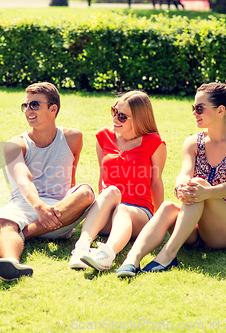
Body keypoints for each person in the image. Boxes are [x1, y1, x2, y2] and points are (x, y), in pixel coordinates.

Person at [116, 83, 226, 277]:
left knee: (198, 185)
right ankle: (132, 259)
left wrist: (204, 192)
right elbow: (185, 173)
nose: (194, 113)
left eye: (200, 108)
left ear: (221, 110)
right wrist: (180, 185)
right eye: (194, 108)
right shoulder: (192, 142)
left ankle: (167, 255)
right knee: (166, 207)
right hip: (194, 223)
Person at [0, 82, 96, 282]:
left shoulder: (73, 137)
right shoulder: (15, 145)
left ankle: (24, 234)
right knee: (6, 220)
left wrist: (64, 206)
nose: (28, 110)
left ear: (53, 108)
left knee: (86, 192)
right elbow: (23, 178)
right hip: (26, 205)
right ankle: (11, 263)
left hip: (61, 212)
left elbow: (71, 177)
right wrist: (39, 206)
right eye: (26, 105)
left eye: (34, 105)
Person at [68, 91, 167, 271]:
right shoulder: (103, 136)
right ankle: (81, 248)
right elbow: (102, 177)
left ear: (139, 119)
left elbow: (156, 184)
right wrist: (100, 209)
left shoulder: (154, 142)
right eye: (114, 111)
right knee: (111, 191)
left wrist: (159, 223)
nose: (115, 118)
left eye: (122, 116)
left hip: (139, 213)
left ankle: (107, 255)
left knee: (123, 209)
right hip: (108, 213)